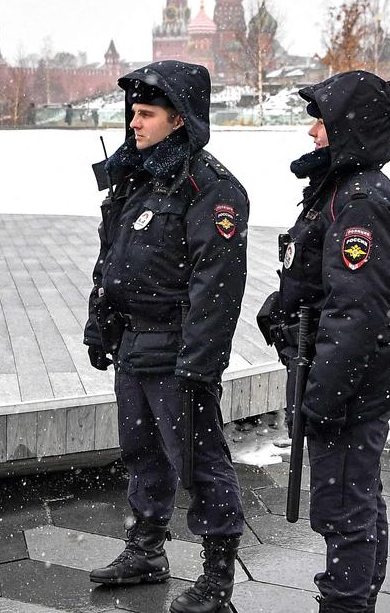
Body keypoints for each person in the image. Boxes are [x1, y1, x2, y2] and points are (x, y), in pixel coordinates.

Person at [84, 60, 249, 613]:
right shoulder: (142, 175)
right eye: (133, 112)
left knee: (200, 463)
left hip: (178, 353)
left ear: (178, 120)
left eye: (147, 113)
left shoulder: (211, 188)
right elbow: (112, 259)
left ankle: (218, 578)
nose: (135, 122)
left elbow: (216, 285)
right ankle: (146, 550)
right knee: (141, 455)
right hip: (135, 347)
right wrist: (101, 322)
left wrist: (200, 364)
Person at [259, 70, 390, 613]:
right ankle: (355, 600)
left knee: (345, 508)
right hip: (344, 373)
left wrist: (323, 396)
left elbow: (359, 309)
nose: (312, 133)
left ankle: (346, 604)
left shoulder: (358, 199)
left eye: (321, 122)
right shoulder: (342, 189)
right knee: (359, 500)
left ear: (348, 128)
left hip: (350, 382)